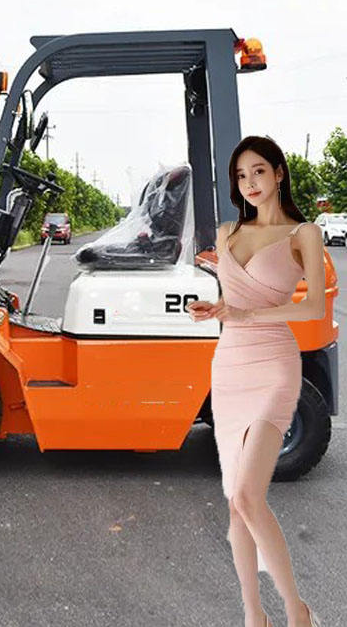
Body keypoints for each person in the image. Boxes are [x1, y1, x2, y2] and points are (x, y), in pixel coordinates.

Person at [186, 136, 325, 627]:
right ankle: (254, 615)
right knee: (236, 504)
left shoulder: (303, 233)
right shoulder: (227, 233)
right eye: (242, 176)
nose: (250, 183)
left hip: (273, 366)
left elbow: (314, 306)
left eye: (259, 171)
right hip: (230, 365)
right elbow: (235, 302)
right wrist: (216, 309)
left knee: (249, 494)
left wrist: (248, 314)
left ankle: (297, 612)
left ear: (279, 173)